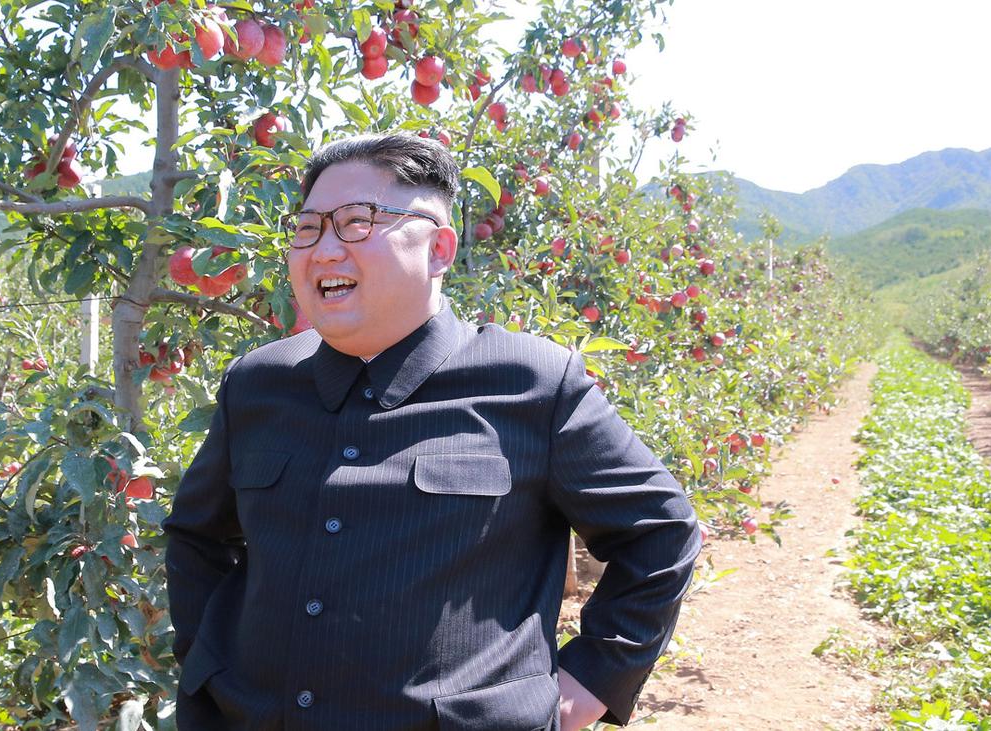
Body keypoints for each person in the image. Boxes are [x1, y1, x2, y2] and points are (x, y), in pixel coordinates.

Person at [162, 133, 702, 730]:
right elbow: (196, 536)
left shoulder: (534, 384)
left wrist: (592, 682)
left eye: (357, 222)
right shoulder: (257, 384)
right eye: (308, 228)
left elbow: (661, 531)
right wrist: (209, 665)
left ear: (439, 249)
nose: (324, 250)